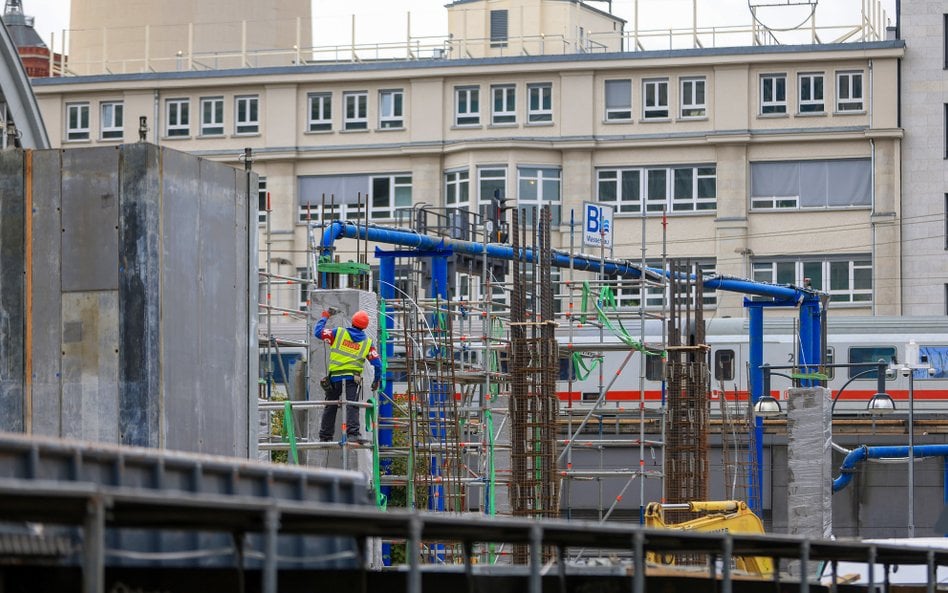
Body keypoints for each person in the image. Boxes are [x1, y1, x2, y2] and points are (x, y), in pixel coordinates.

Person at [314, 309, 381, 443]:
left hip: (334, 378)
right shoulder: (367, 343)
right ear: (365, 326)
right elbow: (378, 364)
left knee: (331, 405)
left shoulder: (338, 333)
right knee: (352, 405)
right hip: (352, 379)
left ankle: (325, 436)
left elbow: (318, 332)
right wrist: (376, 381)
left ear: (353, 322)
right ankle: (353, 434)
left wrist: (324, 317)